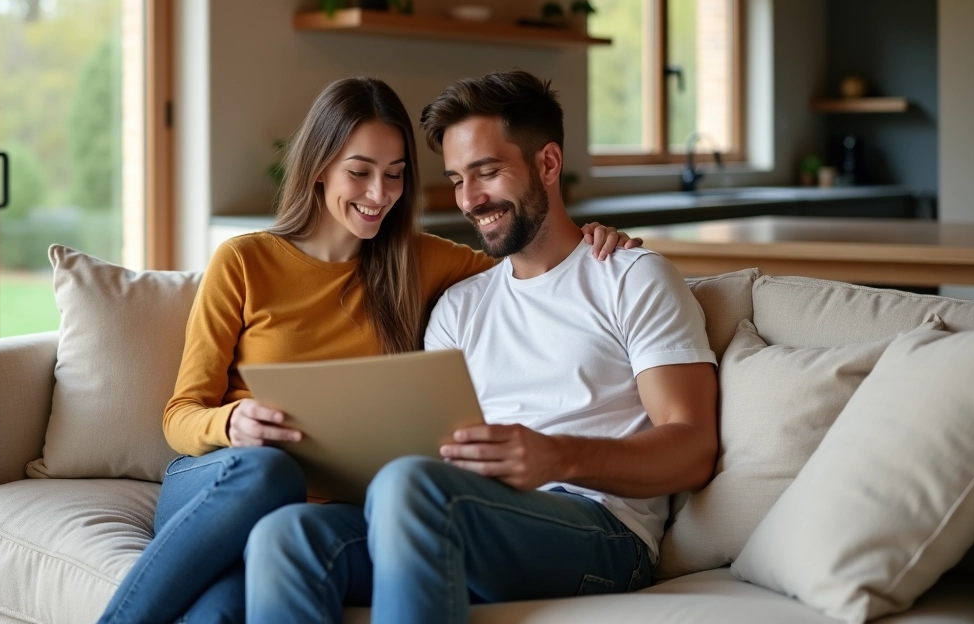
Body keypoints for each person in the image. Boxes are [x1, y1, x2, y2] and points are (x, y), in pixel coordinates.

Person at [96, 76, 639, 624]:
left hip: (313, 523)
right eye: (360, 172)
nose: (379, 194)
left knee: (220, 612)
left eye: (395, 175)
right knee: (270, 471)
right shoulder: (244, 261)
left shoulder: (421, 262)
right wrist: (233, 424)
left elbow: (530, 265)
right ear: (319, 166)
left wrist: (592, 235)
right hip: (222, 486)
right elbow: (180, 415)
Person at [244, 70, 719, 624]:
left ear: (547, 164)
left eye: (487, 172)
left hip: (601, 530)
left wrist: (557, 454)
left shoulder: (631, 278)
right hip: (462, 511)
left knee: (411, 486)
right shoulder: (459, 306)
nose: (470, 200)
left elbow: (693, 448)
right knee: (286, 533)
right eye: (456, 179)